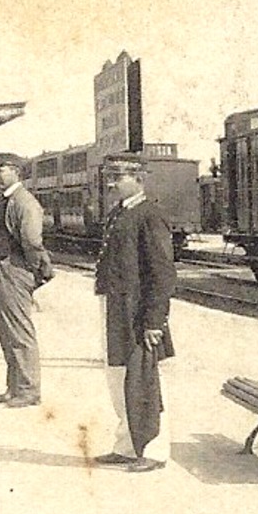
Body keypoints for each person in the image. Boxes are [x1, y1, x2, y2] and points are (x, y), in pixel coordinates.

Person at [92, 155, 177, 473]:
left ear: (139, 178)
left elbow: (163, 273)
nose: (111, 183)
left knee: (146, 379)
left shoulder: (149, 215)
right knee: (119, 377)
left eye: (118, 176)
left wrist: (155, 321)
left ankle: (154, 450)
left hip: (139, 313)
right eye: (110, 176)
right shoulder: (119, 213)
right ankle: (127, 446)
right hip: (118, 307)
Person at [0, 153, 51, 407]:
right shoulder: (8, 199)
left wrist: (30, 271)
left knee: (19, 331)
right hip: (1, 270)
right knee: (6, 331)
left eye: (1, 170)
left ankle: (29, 390)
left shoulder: (24, 202)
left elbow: (32, 241)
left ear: (16, 172)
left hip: (13, 270)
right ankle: (14, 387)